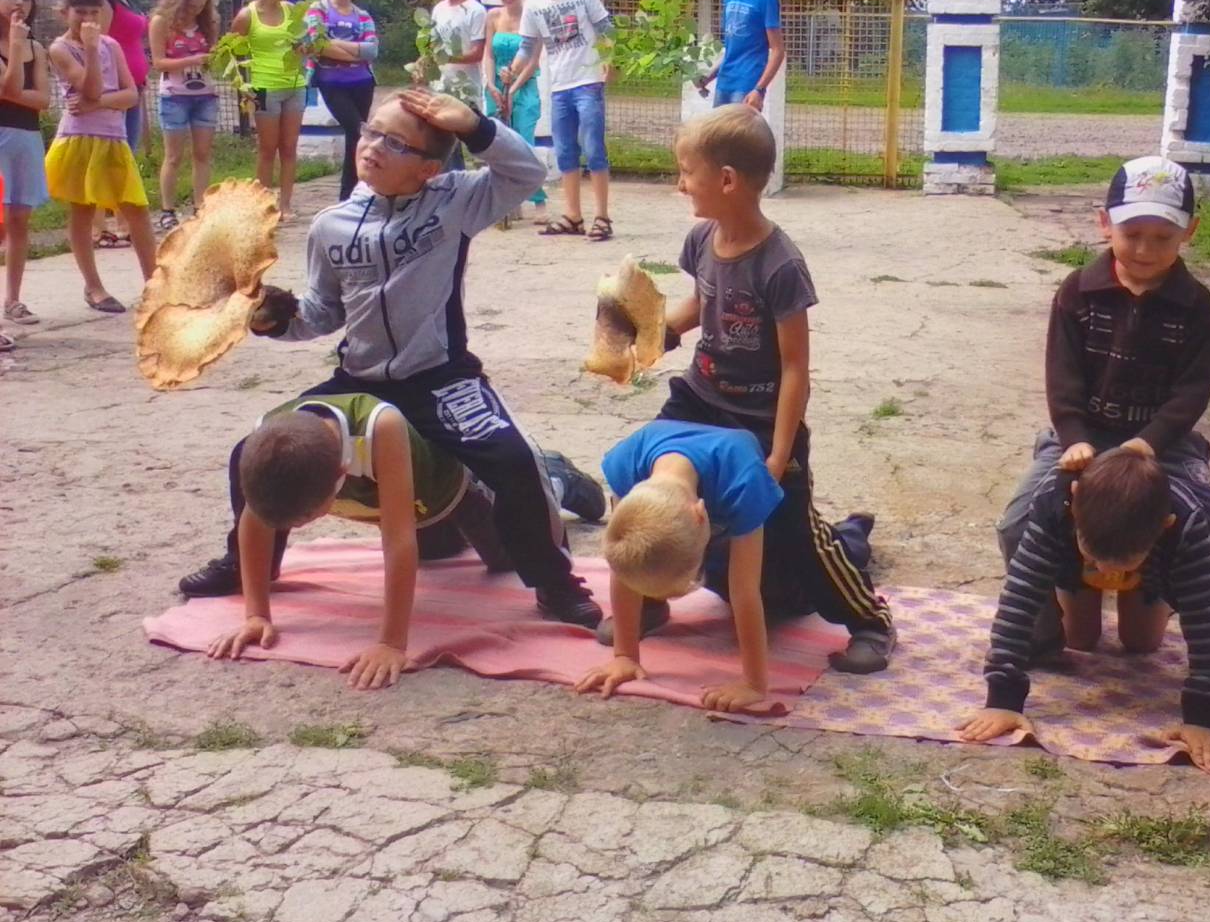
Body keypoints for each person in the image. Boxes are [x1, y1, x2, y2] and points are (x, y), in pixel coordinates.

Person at [176, 88, 605, 629]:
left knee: (513, 461)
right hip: (358, 380)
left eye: (395, 143)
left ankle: (554, 583)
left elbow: (526, 172)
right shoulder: (330, 225)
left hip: (441, 378)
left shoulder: (454, 202)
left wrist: (472, 125)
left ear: (428, 169)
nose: (373, 146)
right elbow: (322, 313)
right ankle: (248, 563)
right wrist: (272, 319)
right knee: (254, 452)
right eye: (372, 131)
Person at [993, 155, 1210, 704]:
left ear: (1189, 232)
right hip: (1081, 438)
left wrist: (1149, 443)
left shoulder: (1196, 304)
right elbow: (1062, 380)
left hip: (1165, 444)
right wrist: (1075, 438)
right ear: (1104, 224)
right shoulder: (1077, 291)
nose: (1145, 249)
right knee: (1017, 521)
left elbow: (1192, 392)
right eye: (1132, 234)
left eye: (1162, 237)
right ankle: (1040, 636)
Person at [641, 103, 895, 672]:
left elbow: (796, 368)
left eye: (687, 172)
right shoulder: (700, 239)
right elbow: (701, 304)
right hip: (700, 398)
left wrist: (779, 456)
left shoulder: (780, 266)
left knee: (793, 533)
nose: (679, 184)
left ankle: (870, 620)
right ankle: (648, 598)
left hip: (761, 416)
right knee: (656, 491)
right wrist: (652, 336)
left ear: (727, 180)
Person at [957, 449, 1210, 774]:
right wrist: (1003, 700)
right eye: (1095, 558)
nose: (1107, 571)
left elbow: (1208, 620)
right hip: (1075, 563)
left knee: (1142, 642)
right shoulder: (1055, 502)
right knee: (1079, 638)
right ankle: (1086, 574)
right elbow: (1019, 598)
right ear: (1074, 501)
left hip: (1151, 572)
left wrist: (1203, 719)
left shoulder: (1185, 522)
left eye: (1121, 563)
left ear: (1165, 527)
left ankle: (1143, 587)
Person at [203, 392, 509, 690]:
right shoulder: (267, 437)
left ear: (342, 473)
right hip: (392, 505)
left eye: (306, 518)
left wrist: (391, 644)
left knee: (508, 557)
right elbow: (253, 521)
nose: (297, 526)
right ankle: (448, 538)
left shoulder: (382, 428)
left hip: (448, 492)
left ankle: (531, 484)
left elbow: (398, 540)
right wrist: (256, 615)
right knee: (439, 551)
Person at [578, 420, 877, 709]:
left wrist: (753, 684)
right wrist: (625, 655)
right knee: (719, 574)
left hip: (776, 533)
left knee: (794, 593)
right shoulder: (625, 464)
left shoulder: (743, 479)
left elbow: (745, 590)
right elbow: (622, 561)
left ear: (700, 515)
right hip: (723, 515)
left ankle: (853, 532)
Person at [44, 0, 157, 313]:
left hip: (113, 138)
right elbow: (90, 87)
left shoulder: (112, 45)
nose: (88, 19)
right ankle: (93, 286)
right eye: (80, 12)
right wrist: (91, 51)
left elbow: (130, 94)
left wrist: (99, 103)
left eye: (94, 12)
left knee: (136, 209)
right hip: (80, 139)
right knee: (83, 209)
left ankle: (155, 285)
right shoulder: (61, 48)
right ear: (64, 13)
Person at [515, 0, 615, 241]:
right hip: (559, 85)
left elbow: (606, 29)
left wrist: (609, 58)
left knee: (594, 148)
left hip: (588, 80)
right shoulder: (534, 5)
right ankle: (573, 215)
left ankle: (602, 216)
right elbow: (526, 46)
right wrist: (512, 70)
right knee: (565, 151)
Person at [231, 0, 308, 218]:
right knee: (267, 149)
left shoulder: (291, 11)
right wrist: (242, 84)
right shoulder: (247, 15)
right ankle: (261, 205)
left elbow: (302, 42)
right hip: (263, 88)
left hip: (295, 84)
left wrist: (304, 48)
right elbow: (231, 50)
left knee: (289, 148)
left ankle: (285, 204)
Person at [148, 0, 221, 231]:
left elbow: (213, 55)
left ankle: (201, 206)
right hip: (174, 94)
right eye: (192, 3)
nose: (197, 8)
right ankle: (167, 209)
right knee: (173, 156)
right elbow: (158, 63)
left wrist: (218, 58)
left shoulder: (209, 23)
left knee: (202, 153)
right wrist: (193, 60)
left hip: (205, 94)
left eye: (202, 3)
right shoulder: (161, 22)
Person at [0, 0, 50, 347]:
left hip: (27, 137)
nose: (20, 3)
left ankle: (13, 300)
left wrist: (17, 89)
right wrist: (15, 50)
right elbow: (9, 87)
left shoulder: (37, 47)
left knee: (20, 220)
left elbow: (42, 99)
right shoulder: (20, 45)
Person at [91, 0, 148, 249]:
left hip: (132, 87)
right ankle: (99, 227)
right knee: (105, 157)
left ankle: (122, 223)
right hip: (114, 90)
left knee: (123, 157)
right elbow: (97, 44)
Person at [306, 0, 379, 200]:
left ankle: (353, 193)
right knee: (358, 130)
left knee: (355, 137)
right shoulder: (319, 9)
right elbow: (317, 44)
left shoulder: (363, 15)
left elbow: (372, 50)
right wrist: (355, 52)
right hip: (331, 82)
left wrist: (335, 44)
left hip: (362, 82)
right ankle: (349, 194)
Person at [693, 0, 785, 111]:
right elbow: (732, 51)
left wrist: (759, 89)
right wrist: (709, 77)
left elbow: (777, 50)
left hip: (747, 85)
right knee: (718, 130)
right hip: (724, 84)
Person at [482, 0, 548, 222]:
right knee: (499, 143)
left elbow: (532, 60)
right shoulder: (493, 16)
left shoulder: (532, 17)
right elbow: (488, 54)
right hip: (497, 86)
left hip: (524, 85)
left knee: (524, 142)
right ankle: (508, 201)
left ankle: (538, 200)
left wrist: (514, 88)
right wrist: (491, 84)